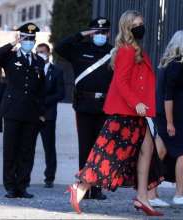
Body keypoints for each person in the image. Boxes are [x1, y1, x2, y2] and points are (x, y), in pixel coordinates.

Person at [65, 10, 163, 216]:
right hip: (126, 111)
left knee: (147, 150)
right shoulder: (126, 50)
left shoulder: (136, 49)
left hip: (135, 112)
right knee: (109, 154)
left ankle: (142, 198)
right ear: (127, 27)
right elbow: (120, 81)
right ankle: (80, 188)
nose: (141, 27)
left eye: (141, 23)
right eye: (136, 24)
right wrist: (136, 102)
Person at [55, 17, 113, 200]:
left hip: (105, 106)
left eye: (103, 32)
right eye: (97, 31)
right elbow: (59, 48)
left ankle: (96, 188)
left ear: (109, 33)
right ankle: (84, 186)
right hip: (84, 105)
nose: (100, 35)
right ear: (91, 32)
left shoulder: (113, 52)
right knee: (85, 147)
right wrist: (82, 35)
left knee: (101, 148)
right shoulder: (80, 49)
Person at [0, 22, 46, 199]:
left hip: (31, 112)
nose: (29, 42)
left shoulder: (39, 61)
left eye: (31, 39)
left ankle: (22, 185)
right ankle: (10, 186)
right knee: (10, 150)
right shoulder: (10, 57)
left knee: (27, 151)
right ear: (20, 39)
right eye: (25, 38)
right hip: (12, 110)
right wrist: (12, 43)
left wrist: (42, 112)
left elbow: (41, 88)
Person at [148, 30, 183, 206]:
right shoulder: (177, 66)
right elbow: (168, 96)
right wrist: (170, 122)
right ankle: (179, 193)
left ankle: (151, 194)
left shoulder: (170, 64)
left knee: (159, 153)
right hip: (169, 118)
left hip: (165, 116)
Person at [35, 43, 65, 188]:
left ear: (48, 53)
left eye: (43, 52)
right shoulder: (32, 69)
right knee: (27, 147)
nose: (40, 54)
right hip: (33, 115)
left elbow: (60, 93)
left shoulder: (57, 71)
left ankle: (49, 177)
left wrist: (44, 103)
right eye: (38, 52)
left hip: (48, 115)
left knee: (49, 147)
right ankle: (23, 176)